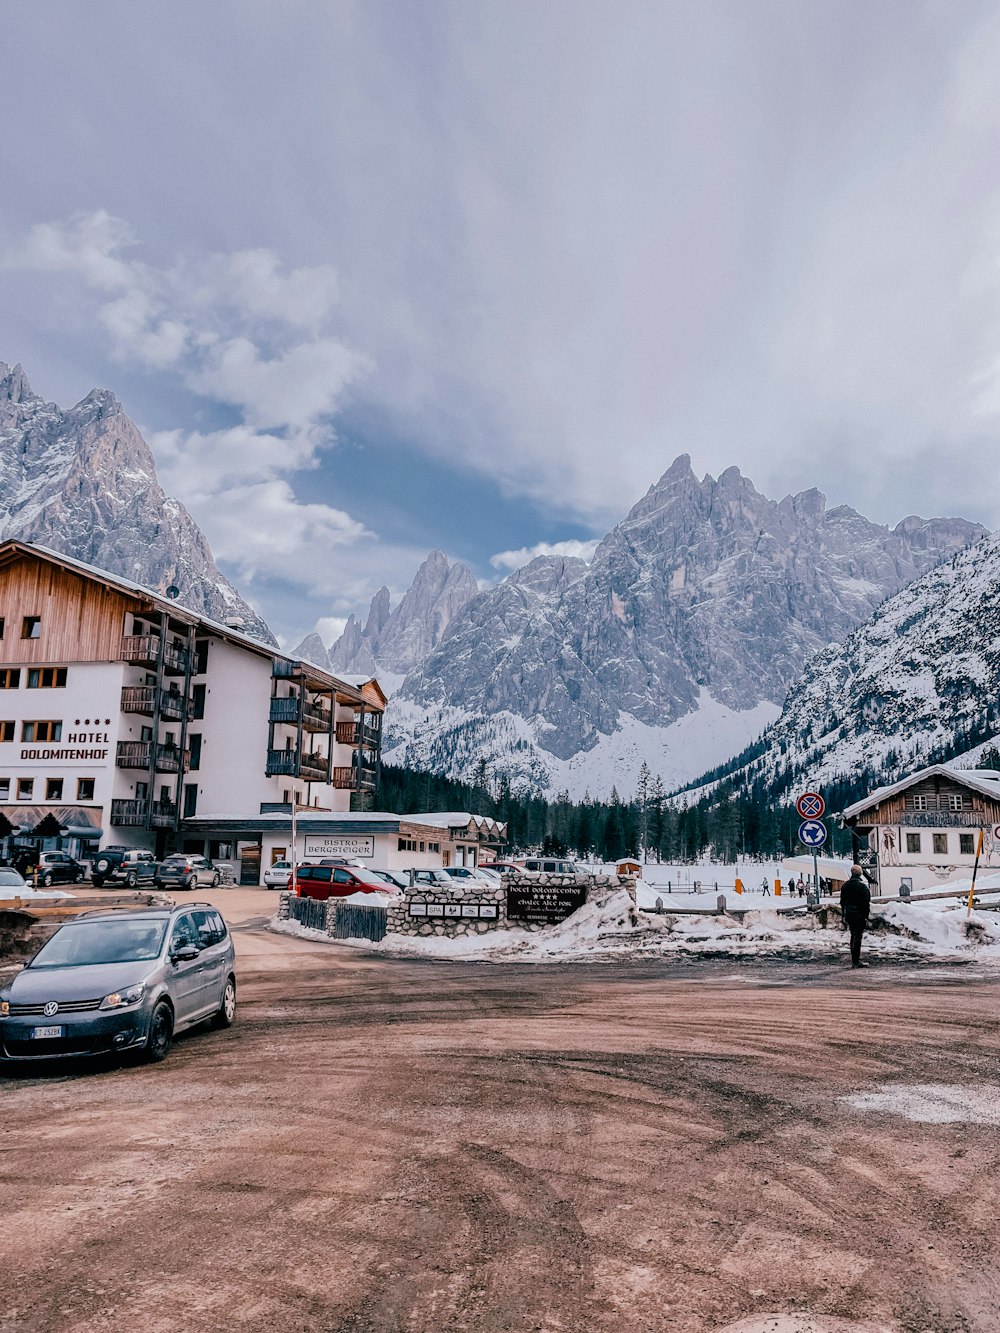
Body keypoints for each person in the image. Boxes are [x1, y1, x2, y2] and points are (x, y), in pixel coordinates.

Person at [840, 864, 871, 969]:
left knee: (853, 936)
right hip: (859, 915)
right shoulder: (862, 887)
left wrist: (844, 914)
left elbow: (842, 902)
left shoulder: (845, 886)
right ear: (860, 874)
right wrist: (866, 916)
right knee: (858, 937)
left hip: (849, 914)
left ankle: (854, 960)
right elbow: (866, 903)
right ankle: (856, 961)